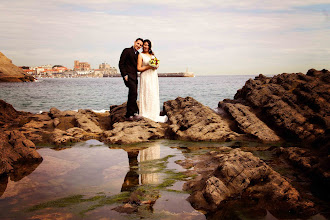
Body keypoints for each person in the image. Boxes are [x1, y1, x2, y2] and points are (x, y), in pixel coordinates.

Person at [137, 39, 168, 123]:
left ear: (149, 46)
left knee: (153, 93)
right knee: (147, 92)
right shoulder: (140, 55)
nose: (145, 46)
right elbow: (139, 68)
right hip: (146, 76)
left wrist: (155, 66)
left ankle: (154, 113)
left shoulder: (152, 54)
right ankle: (146, 113)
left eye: (147, 45)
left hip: (153, 76)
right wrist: (149, 67)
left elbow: (156, 64)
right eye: (144, 45)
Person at [119, 38, 143, 121]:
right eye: (138, 43)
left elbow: (138, 66)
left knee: (134, 94)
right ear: (134, 42)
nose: (139, 46)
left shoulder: (138, 54)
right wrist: (124, 75)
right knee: (133, 92)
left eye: (140, 45)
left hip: (135, 77)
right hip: (128, 76)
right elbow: (121, 64)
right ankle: (129, 115)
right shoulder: (127, 50)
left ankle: (133, 113)